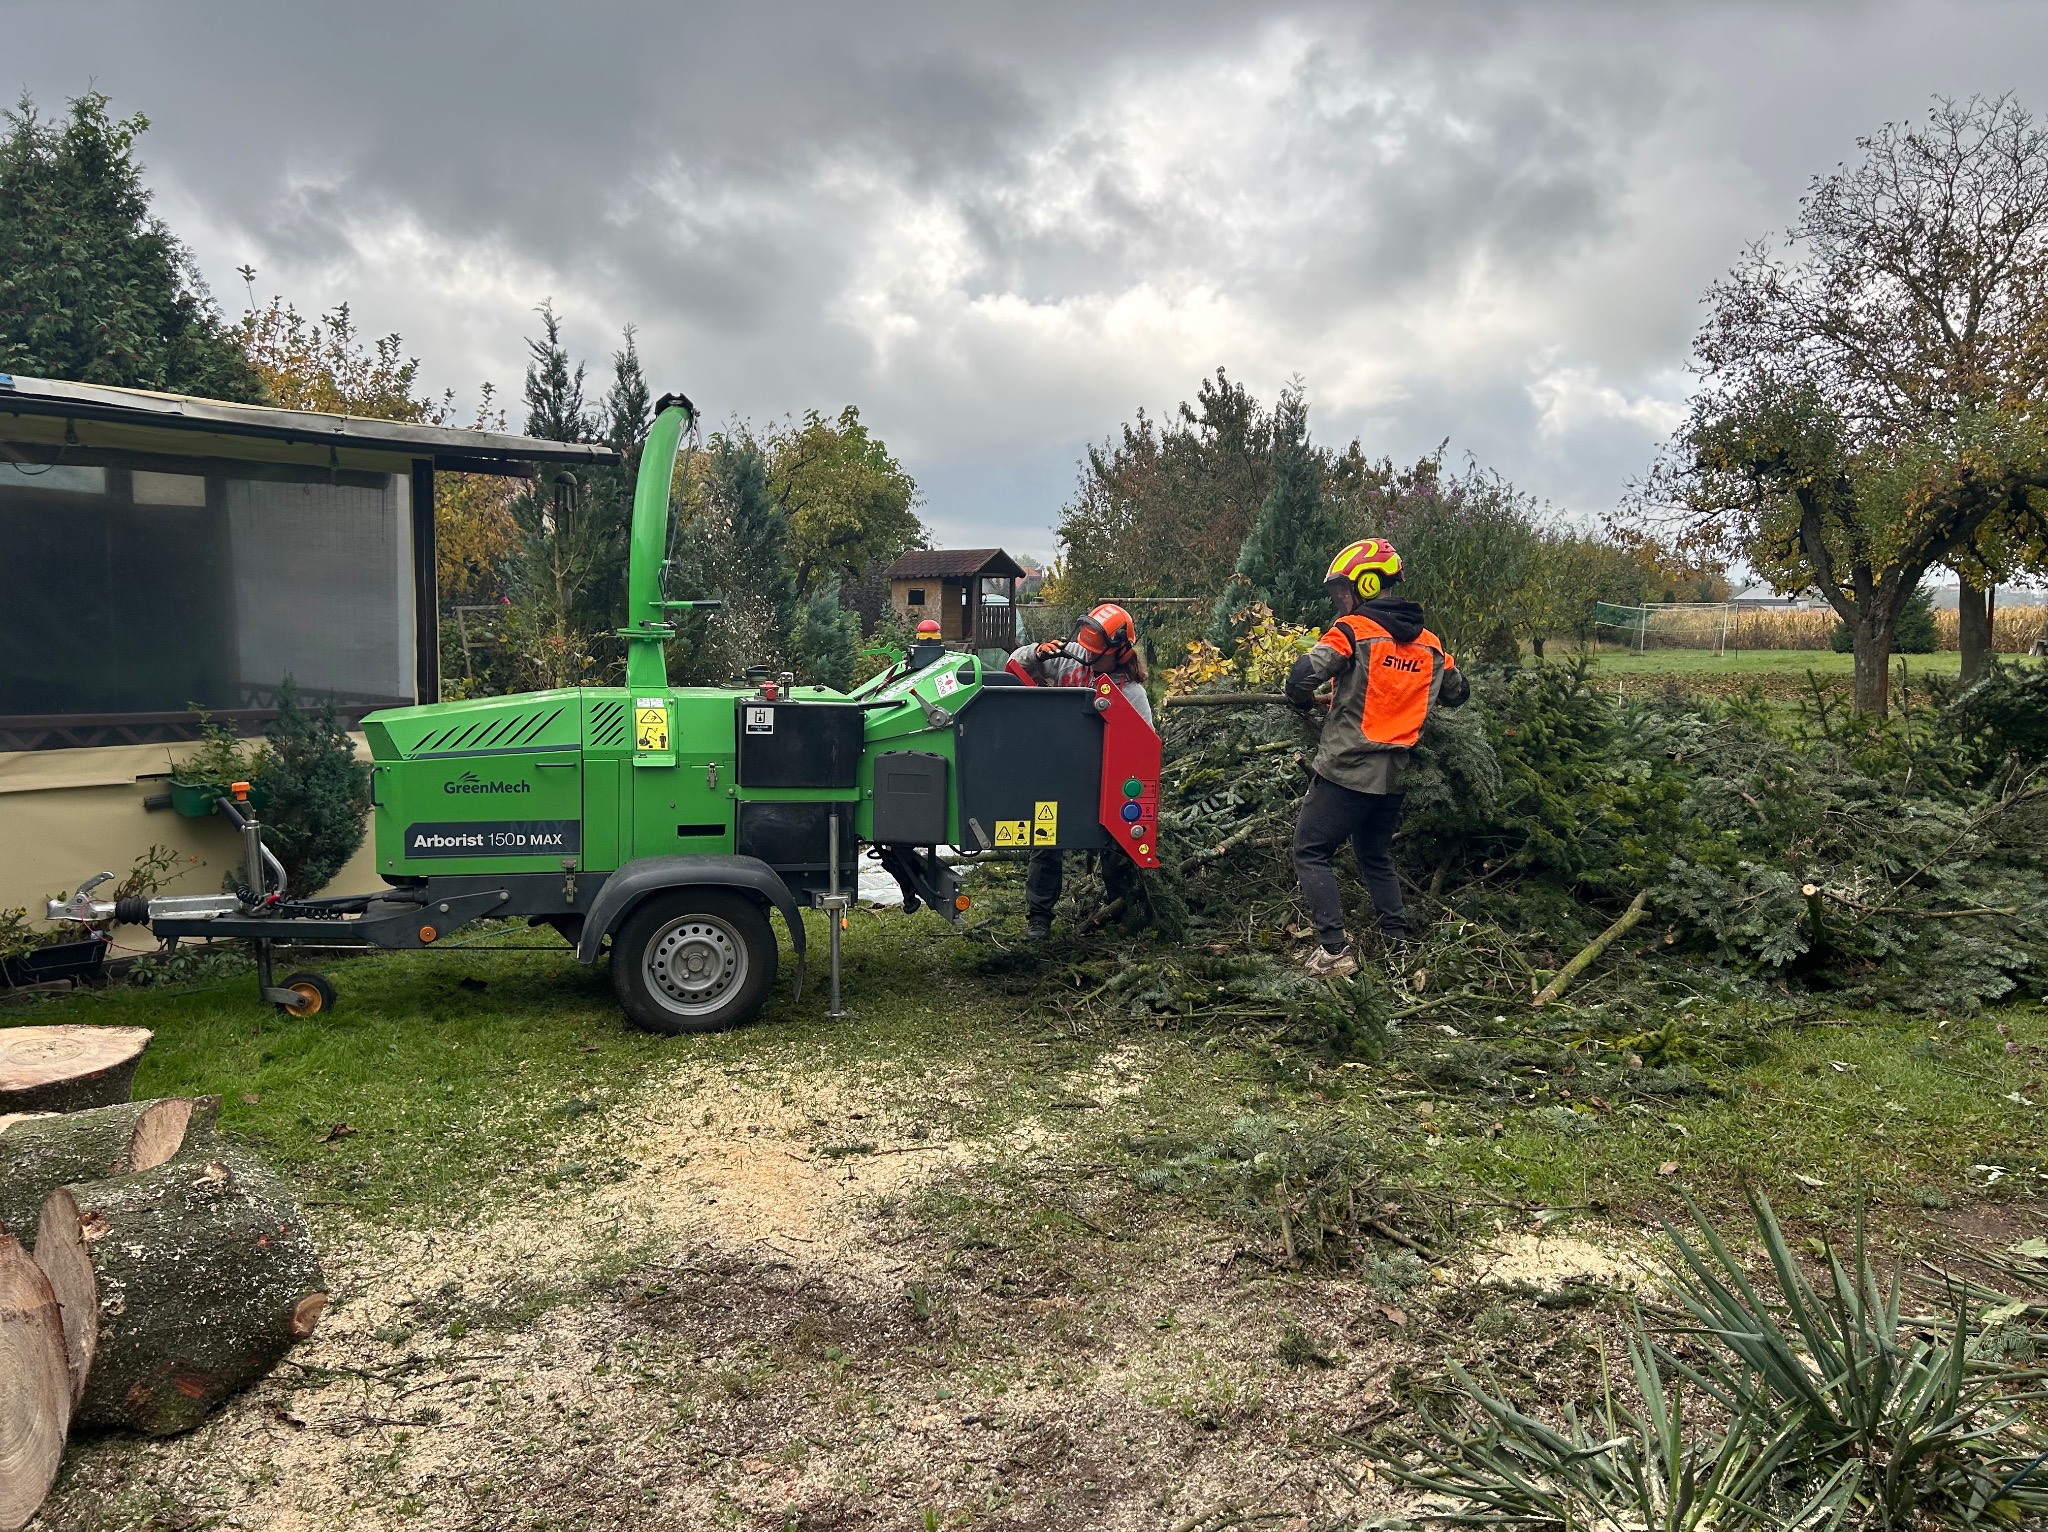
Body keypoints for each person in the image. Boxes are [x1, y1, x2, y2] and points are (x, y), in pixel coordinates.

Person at [1284, 539, 1467, 977]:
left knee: (1310, 851)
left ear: (1366, 583)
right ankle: (1397, 944)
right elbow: (1458, 693)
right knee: (1374, 854)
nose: (1340, 600)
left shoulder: (1352, 631)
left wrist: (1303, 701)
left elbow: (1302, 677)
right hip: (1395, 774)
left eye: (1343, 590)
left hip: (1347, 767)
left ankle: (1334, 951)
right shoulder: (1431, 645)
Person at [1005, 603, 1154, 941]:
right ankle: (1039, 919)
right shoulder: (1069, 656)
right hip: (1056, 767)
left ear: (1120, 652)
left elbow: (1144, 750)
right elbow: (1016, 663)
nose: (1087, 657)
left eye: (1096, 653)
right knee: (1046, 840)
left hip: (1101, 778)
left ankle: (1121, 910)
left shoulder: (1131, 694)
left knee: (1117, 847)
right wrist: (1038, 652)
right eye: (1085, 648)